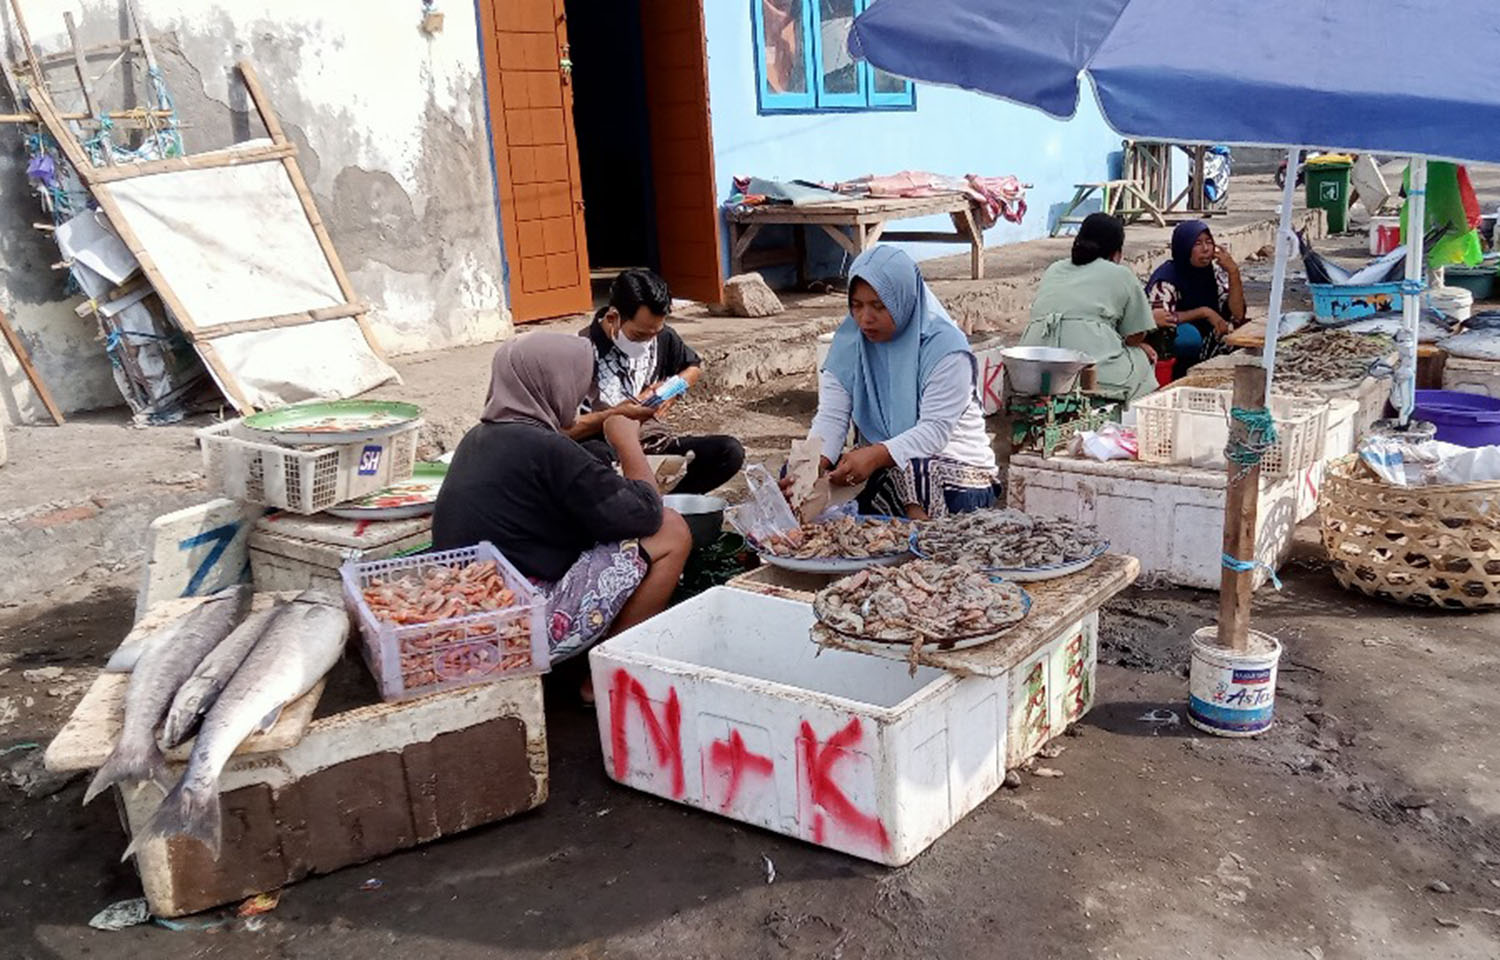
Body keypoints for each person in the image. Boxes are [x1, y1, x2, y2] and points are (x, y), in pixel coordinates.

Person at [432, 333, 691, 679]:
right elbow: (646, 513)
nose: (581, 396)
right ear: (553, 384)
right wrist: (626, 439)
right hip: (517, 626)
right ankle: (605, 677)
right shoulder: (546, 448)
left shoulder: (478, 437)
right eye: (578, 385)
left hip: (462, 612)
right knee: (671, 530)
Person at [793, 245, 999, 520]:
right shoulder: (849, 344)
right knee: (801, 475)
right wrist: (815, 464)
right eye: (857, 305)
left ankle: (929, 550)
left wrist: (875, 455)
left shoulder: (945, 349)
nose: (865, 318)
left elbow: (934, 432)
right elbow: (831, 416)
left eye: (879, 306)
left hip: (959, 478)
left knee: (913, 471)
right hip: (886, 469)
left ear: (904, 299)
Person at [568, 269, 745, 495]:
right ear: (613, 318)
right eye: (639, 335)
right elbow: (562, 430)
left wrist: (672, 390)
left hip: (650, 443)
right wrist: (615, 415)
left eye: (655, 332)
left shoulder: (659, 336)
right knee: (598, 468)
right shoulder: (577, 352)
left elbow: (692, 367)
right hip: (600, 450)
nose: (649, 341)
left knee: (729, 452)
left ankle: (664, 506)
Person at [1021, 212, 1158, 402]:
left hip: (1031, 369)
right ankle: (1127, 421)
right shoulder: (1120, 274)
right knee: (1143, 360)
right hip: (1084, 372)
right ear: (1116, 252)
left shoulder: (1055, 268)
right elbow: (1136, 335)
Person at [1145, 220, 1247, 378]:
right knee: (1189, 337)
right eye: (1197, 244)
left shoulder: (1214, 273)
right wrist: (1204, 312)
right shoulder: (1167, 278)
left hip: (1209, 336)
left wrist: (1233, 272)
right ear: (1184, 248)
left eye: (1209, 242)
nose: (1205, 249)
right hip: (1172, 342)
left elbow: (1238, 314)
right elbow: (1161, 319)